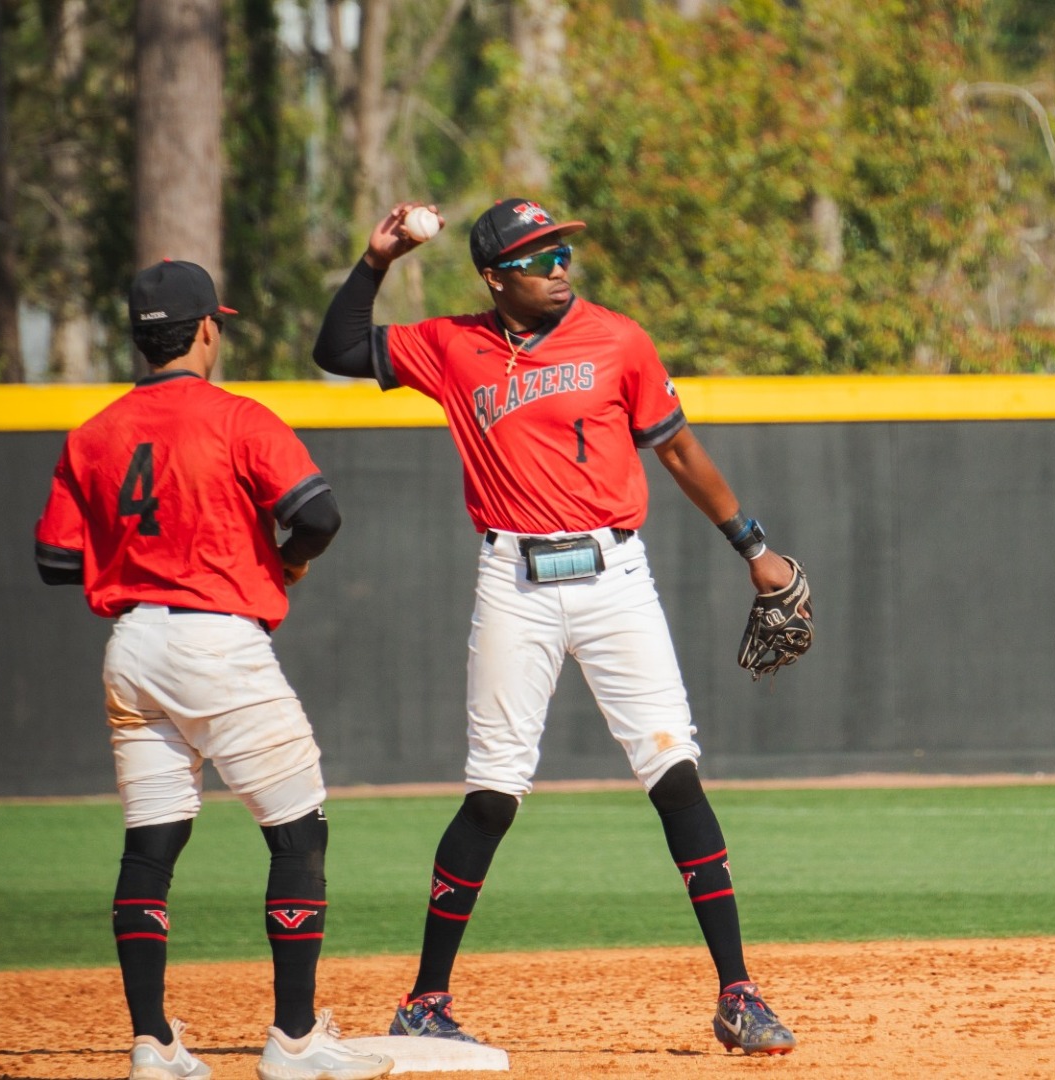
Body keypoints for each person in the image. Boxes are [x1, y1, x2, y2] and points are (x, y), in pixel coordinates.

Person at [309, 199, 800, 1056]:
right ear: (495, 278)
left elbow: (680, 451)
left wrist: (753, 548)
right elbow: (338, 349)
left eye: (561, 250)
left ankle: (739, 994)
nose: (559, 265)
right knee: (492, 794)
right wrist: (377, 259)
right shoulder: (452, 345)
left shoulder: (619, 340)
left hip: (616, 575)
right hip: (514, 580)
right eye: (538, 258)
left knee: (674, 771)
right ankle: (425, 1001)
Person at [34, 260, 393, 1080]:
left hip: (132, 647)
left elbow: (54, 561)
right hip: (217, 642)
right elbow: (319, 514)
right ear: (206, 329)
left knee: (151, 844)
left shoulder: (92, 434)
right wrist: (286, 559)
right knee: (297, 830)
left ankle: (153, 1044)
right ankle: (294, 1041)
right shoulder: (237, 417)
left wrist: (137, 554)